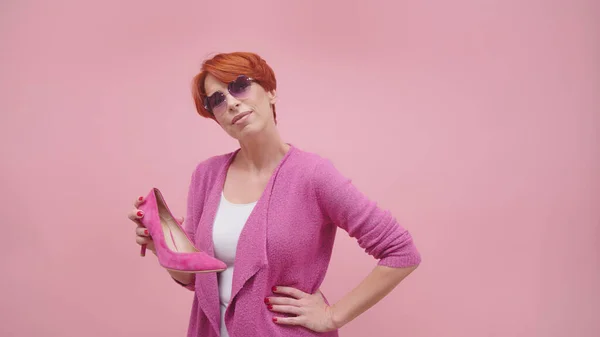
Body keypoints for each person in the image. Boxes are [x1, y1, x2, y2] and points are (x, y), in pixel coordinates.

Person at [128, 52, 421, 337]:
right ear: (216, 118)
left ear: (270, 92)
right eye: (217, 100)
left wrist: (334, 315)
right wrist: (160, 248)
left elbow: (401, 252)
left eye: (239, 86)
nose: (230, 103)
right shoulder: (206, 175)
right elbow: (196, 279)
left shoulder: (313, 175)